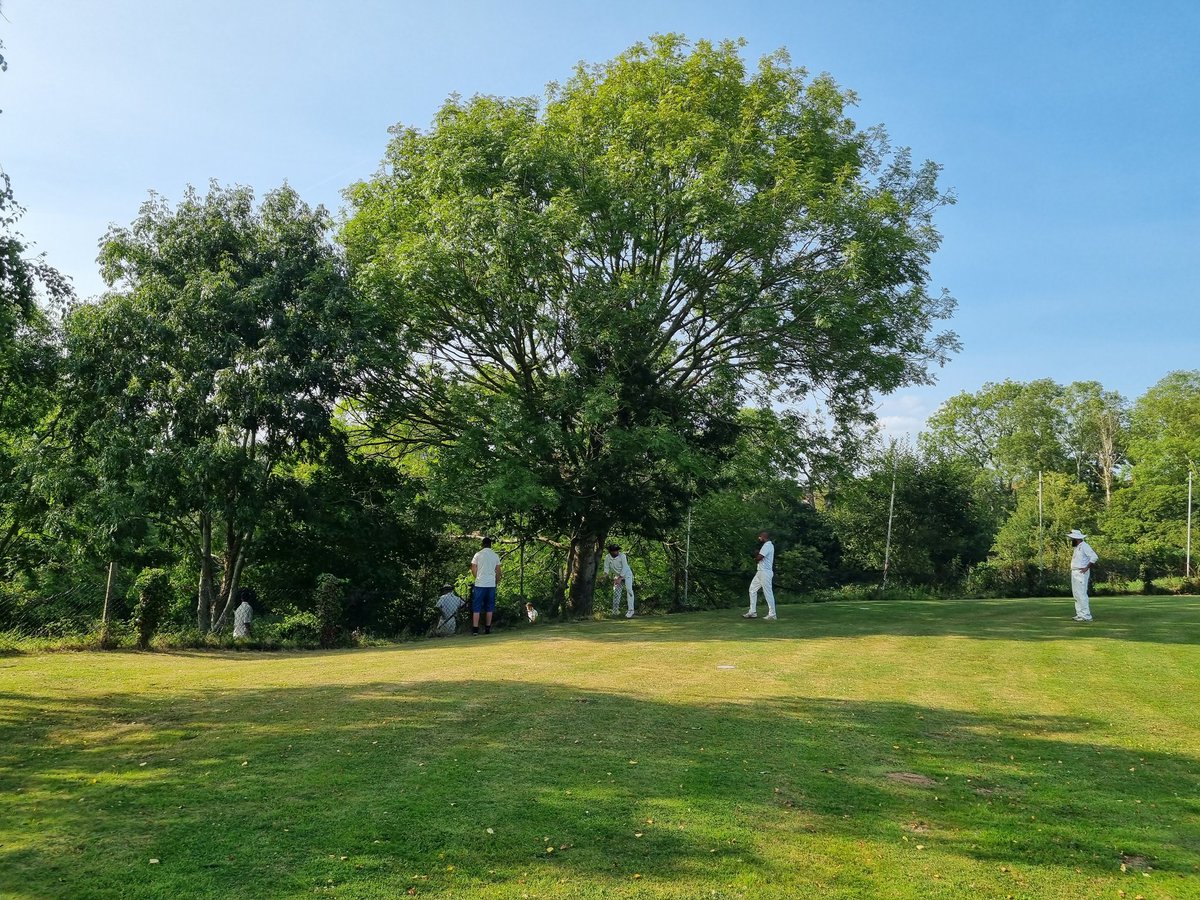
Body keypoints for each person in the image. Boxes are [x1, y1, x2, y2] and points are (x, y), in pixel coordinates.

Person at [470, 537, 502, 635]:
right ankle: (487, 628)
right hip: (491, 584)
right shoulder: (495, 556)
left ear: (482, 544)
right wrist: (496, 581)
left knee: (477, 606)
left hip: (480, 583)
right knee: (490, 606)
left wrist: (477, 577)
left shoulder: (478, 555)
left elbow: (473, 568)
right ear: (490, 545)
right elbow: (498, 571)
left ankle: (475, 629)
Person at [743, 531, 777, 620]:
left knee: (768, 592)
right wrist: (757, 554)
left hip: (765, 572)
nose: (759, 538)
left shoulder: (767, 545)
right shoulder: (767, 545)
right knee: (752, 589)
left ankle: (772, 614)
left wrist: (755, 555)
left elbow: (760, 558)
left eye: (760, 537)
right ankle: (752, 612)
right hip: (760, 572)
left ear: (763, 537)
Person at [1068, 528, 1099, 622]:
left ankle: (1086, 615)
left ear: (1076, 539)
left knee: (1081, 593)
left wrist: (1087, 567)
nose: (1071, 541)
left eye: (1072, 539)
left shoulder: (1084, 546)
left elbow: (1094, 557)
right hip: (1075, 572)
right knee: (1076, 594)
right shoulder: (1078, 547)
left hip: (1081, 572)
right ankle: (1080, 614)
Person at [602, 543, 635, 618]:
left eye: (617, 550)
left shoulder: (622, 556)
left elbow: (625, 567)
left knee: (629, 590)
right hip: (617, 576)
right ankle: (615, 611)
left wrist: (620, 578)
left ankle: (631, 610)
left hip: (627, 575)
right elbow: (606, 568)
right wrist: (604, 576)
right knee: (616, 592)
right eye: (614, 551)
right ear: (610, 551)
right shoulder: (607, 557)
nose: (616, 552)